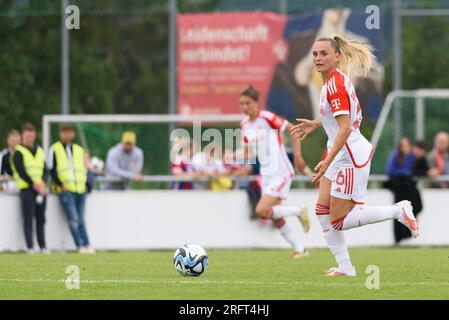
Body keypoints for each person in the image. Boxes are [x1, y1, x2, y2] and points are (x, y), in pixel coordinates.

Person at [290, 35, 419, 276]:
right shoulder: (333, 81)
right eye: (315, 54)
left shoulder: (335, 85)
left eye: (324, 53)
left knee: (338, 219)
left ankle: (397, 211)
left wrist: (328, 159)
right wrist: (317, 124)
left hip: (348, 155)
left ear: (337, 57)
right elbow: (340, 117)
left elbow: (346, 127)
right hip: (338, 150)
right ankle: (345, 267)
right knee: (321, 212)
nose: (318, 58)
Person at [239, 85, 310, 259]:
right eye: (241, 104)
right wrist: (229, 156)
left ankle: (298, 211)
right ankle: (300, 249)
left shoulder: (267, 117)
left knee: (262, 210)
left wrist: (298, 156)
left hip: (281, 171)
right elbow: (247, 152)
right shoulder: (244, 125)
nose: (244, 107)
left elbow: (293, 130)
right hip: (266, 174)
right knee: (275, 216)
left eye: (248, 103)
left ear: (257, 103)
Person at [47, 124, 95, 254]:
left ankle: (87, 244)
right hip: (66, 191)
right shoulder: (54, 149)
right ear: (60, 134)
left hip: (80, 189)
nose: (67, 135)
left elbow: (85, 168)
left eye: (69, 132)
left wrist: (87, 185)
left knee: (81, 219)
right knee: (74, 219)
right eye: (64, 132)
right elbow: (51, 170)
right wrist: (61, 185)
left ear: (73, 134)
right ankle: (80, 245)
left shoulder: (79, 150)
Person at [11, 123, 49, 254]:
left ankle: (43, 246)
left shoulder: (39, 150)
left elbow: (45, 169)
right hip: (27, 190)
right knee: (28, 218)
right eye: (26, 135)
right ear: (23, 136)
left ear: (34, 136)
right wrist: (35, 184)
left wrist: (43, 182)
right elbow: (21, 171)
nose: (29, 137)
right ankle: (30, 246)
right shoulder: (18, 152)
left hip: (40, 190)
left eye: (31, 134)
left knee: (41, 219)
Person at [385, 137, 423, 244]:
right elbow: (390, 171)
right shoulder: (395, 156)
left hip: (407, 189)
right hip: (400, 189)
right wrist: (404, 173)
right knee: (399, 212)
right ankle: (400, 237)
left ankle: (407, 233)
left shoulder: (412, 157)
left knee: (410, 209)